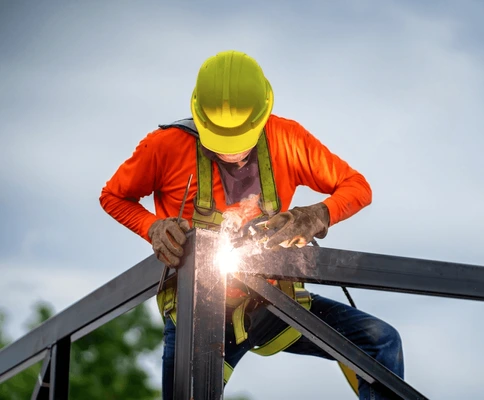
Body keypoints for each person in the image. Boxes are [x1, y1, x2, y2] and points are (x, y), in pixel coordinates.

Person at [99, 50, 403, 399]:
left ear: (262, 117)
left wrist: (316, 215)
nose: (230, 154)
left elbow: (357, 187)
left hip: (273, 301)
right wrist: (152, 227)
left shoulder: (286, 139)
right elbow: (113, 196)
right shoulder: (165, 147)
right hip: (197, 315)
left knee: (380, 342)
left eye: (239, 143)